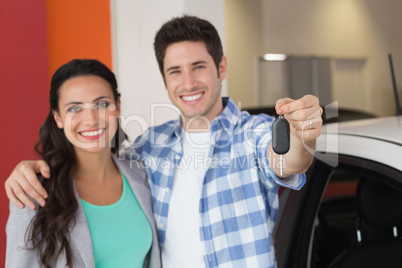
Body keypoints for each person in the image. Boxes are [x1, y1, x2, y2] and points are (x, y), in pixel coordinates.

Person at [5, 16, 323, 267]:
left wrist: (302, 137)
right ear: (165, 80)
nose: (187, 82)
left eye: (199, 66)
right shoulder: (149, 147)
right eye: (175, 71)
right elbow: (95, 157)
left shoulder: (253, 133)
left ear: (221, 67)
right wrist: (29, 167)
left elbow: (286, 161)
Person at [5, 59, 160, 268]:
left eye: (102, 104)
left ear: (118, 106)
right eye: (74, 108)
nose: (91, 119)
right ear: (58, 118)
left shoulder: (142, 176)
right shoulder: (34, 192)